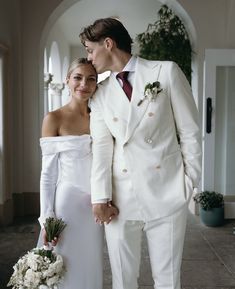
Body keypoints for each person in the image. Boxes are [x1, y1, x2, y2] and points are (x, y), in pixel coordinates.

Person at [79, 18, 202, 289]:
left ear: (108, 44)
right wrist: (100, 197)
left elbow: (190, 132)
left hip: (167, 192)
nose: (89, 57)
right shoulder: (100, 94)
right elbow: (101, 148)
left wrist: (188, 182)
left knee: (168, 280)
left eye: (90, 49)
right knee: (123, 281)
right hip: (120, 201)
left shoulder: (165, 72)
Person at [38, 58, 116, 289]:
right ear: (67, 80)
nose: (84, 84)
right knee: (64, 262)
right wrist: (46, 219)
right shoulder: (54, 118)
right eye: (78, 77)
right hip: (67, 203)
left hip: (94, 203)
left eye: (91, 78)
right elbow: (47, 176)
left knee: (90, 262)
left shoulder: (101, 116)